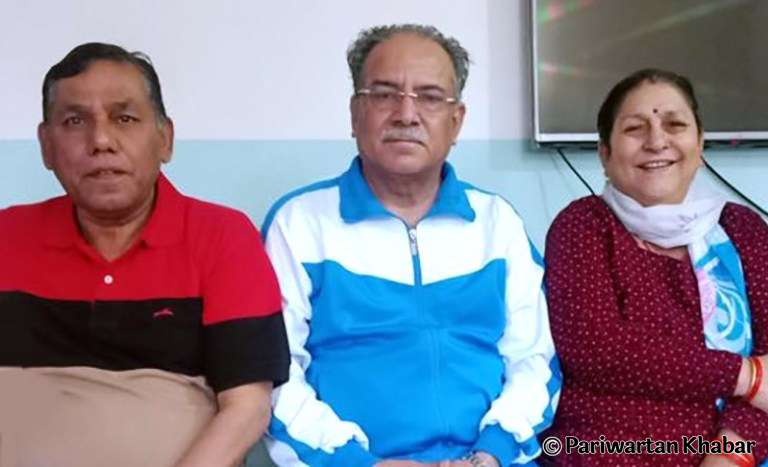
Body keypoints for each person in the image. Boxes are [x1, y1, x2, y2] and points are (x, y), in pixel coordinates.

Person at [261, 24, 560, 467]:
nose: (406, 114)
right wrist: (360, 464)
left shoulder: (497, 224)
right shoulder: (300, 223)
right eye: (384, 94)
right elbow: (273, 375)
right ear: (355, 113)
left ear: (456, 121)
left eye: (430, 97)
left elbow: (535, 360)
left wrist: (492, 453)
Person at [0, 43, 290, 467]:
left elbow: (247, 408)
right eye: (75, 121)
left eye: (124, 118)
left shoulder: (222, 237)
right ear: (46, 146)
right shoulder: (7, 236)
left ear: (165, 138)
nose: (101, 141)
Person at [542, 68, 768, 466]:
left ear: (699, 142)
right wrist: (745, 377)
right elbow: (597, 349)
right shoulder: (583, 226)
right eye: (634, 129)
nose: (657, 141)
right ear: (605, 153)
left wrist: (728, 456)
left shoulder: (743, 229)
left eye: (675, 125)